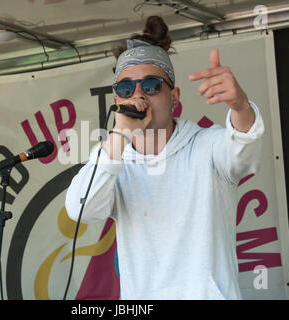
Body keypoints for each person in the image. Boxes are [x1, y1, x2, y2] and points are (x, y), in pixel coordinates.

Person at [65, 16, 264, 299]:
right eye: (126, 89)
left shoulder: (206, 145)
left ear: (174, 96)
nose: (138, 96)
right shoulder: (112, 159)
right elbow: (80, 210)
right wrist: (120, 136)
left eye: (151, 85)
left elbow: (244, 147)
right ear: (116, 101)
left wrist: (240, 105)